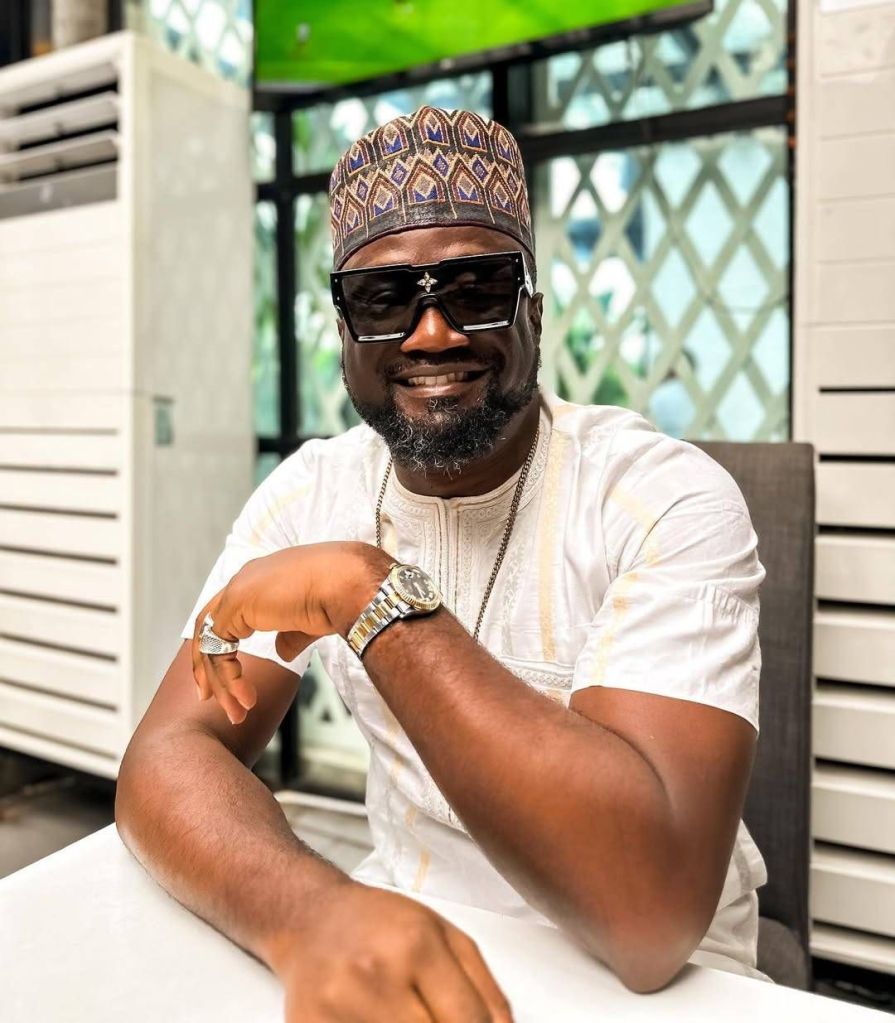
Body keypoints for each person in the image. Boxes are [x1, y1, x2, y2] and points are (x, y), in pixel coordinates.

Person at [115, 106, 768, 1021]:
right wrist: (311, 914)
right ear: (343, 331)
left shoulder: (661, 497)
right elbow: (166, 753)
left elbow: (648, 917)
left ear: (533, 309)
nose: (430, 334)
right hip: (406, 945)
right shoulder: (312, 491)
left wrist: (366, 592)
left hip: (671, 991)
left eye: (475, 288)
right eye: (386, 299)